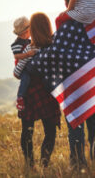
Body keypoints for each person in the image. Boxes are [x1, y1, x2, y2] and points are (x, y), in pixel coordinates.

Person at [56, 0, 95, 169]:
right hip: (91, 83)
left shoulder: (62, 21)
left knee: (76, 125)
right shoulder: (92, 22)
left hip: (72, 84)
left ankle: (77, 163)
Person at [14, 13, 61, 168]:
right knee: (50, 131)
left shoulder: (29, 48)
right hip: (48, 93)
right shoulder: (54, 46)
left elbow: (17, 73)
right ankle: (44, 163)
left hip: (30, 94)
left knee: (27, 131)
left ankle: (30, 165)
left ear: (32, 29)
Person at [10, 16, 38, 111]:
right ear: (25, 32)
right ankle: (20, 97)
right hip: (22, 68)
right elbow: (16, 56)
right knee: (25, 79)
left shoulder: (29, 41)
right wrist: (27, 54)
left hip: (29, 65)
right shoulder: (16, 44)